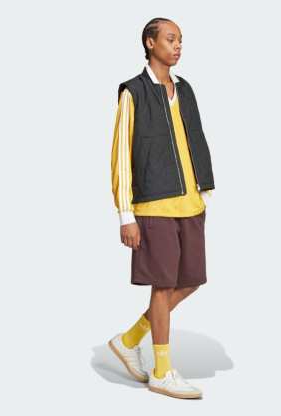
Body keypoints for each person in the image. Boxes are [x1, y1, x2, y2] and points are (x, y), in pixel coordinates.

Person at [108, 17, 215, 399]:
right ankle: (162, 371)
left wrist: (204, 191)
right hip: (154, 204)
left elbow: (196, 139)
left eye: (181, 40)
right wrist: (126, 215)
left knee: (191, 280)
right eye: (171, 39)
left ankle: (129, 339)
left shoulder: (185, 89)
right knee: (164, 284)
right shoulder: (133, 92)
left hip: (190, 202)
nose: (178, 45)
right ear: (150, 43)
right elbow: (121, 155)